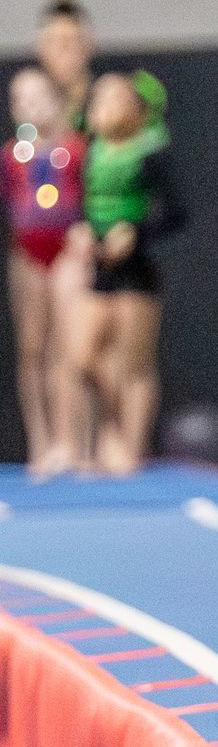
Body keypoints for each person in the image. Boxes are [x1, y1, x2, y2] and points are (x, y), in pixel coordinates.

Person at [70, 71, 185, 477]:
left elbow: (175, 213)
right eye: (99, 100)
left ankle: (131, 450)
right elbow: (79, 203)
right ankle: (112, 431)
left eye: (116, 99)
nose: (105, 108)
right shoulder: (90, 151)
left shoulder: (150, 152)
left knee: (133, 365)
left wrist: (135, 234)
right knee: (83, 356)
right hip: (99, 266)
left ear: (135, 110)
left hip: (136, 268)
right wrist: (81, 228)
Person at [3, 65, 86, 468]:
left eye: (36, 97)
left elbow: (88, 197)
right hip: (26, 252)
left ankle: (69, 441)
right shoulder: (11, 156)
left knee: (68, 346)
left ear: (56, 100)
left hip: (66, 249)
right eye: (18, 100)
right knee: (33, 346)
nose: (27, 107)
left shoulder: (74, 148)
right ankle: (40, 441)